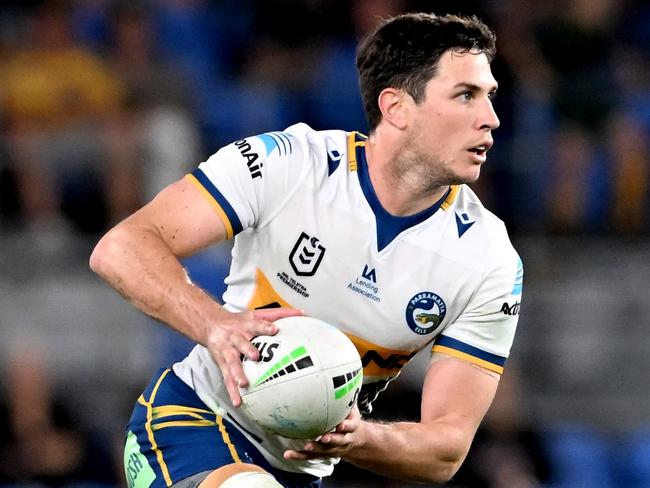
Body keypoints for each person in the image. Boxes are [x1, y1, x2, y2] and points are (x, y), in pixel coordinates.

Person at [90, 12, 523, 488]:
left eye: (490, 97)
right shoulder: (289, 164)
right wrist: (216, 326)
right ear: (396, 107)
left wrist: (358, 439)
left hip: (299, 472)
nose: (492, 118)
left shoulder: (489, 260)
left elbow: (445, 449)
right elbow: (121, 248)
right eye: (466, 95)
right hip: (190, 424)